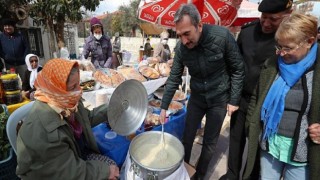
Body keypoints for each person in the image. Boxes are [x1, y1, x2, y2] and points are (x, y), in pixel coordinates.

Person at [159, 4, 245, 180]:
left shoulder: (222, 37)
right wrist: (163, 106)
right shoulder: (182, 48)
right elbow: (174, 77)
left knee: (210, 143)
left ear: (199, 25)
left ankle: (199, 175)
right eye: (179, 35)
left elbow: (238, 69)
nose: (183, 40)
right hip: (197, 98)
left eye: (187, 33)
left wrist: (234, 100)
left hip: (219, 99)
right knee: (187, 137)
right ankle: (182, 172)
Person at [220, 0, 293, 179]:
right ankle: (232, 174)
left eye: (273, 19)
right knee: (236, 140)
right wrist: (230, 95)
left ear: (287, 15)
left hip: (265, 104)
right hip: (241, 98)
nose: (266, 23)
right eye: (264, 17)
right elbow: (234, 65)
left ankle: (250, 176)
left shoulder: (288, 40)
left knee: (257, 144)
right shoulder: (246, 33)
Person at [245, 13, 320, 180]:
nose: (281, 53)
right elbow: (256, 99)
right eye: (279, 46)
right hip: (270, 144)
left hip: (302, 153)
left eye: (288, 48)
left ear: (309, 41)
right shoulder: (272, 65)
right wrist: (251, 126)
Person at [16, 59, 119, 179]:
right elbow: (69, 173)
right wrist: (105, 172)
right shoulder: (46, 132)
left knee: (113, 162)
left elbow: (86, 119)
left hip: (74, 157)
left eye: (78, 84)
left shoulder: (66, 103)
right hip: (55, 173)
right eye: (73, 86)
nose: (79, 91)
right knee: (111, 170)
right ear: (56, 88)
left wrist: (111, 108)